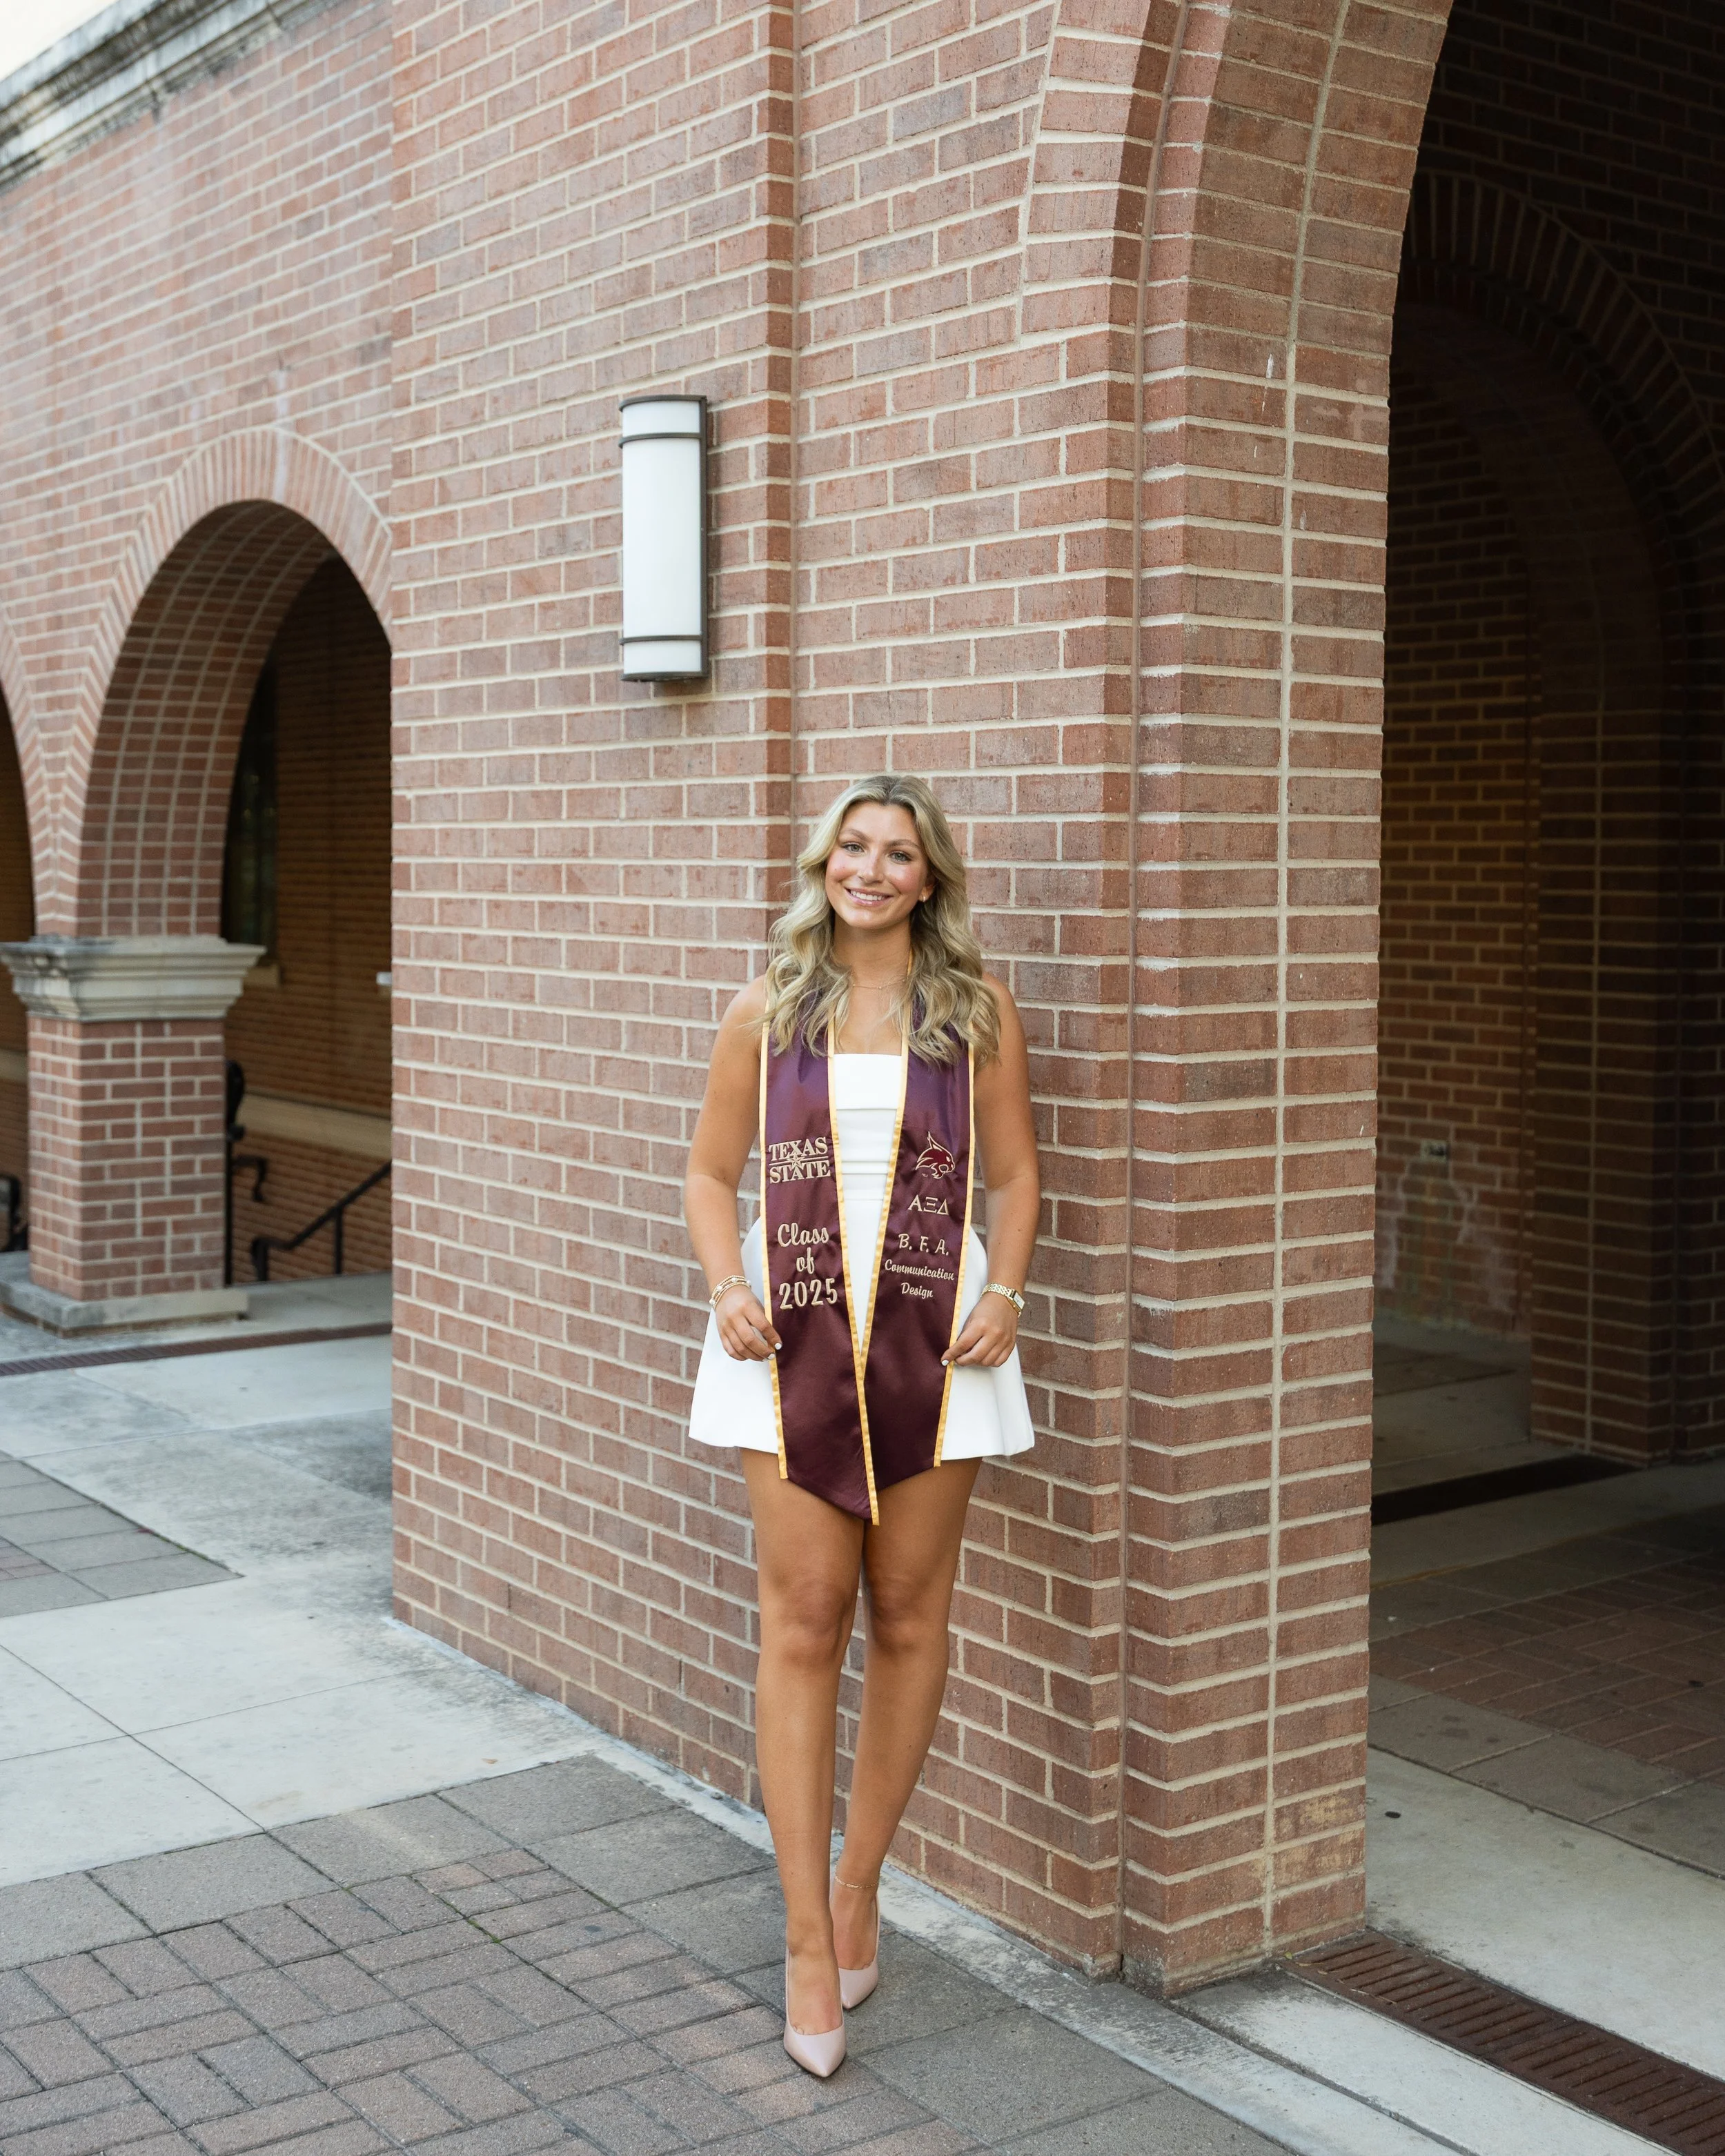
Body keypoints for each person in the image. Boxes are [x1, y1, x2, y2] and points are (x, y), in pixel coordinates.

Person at [683, 773, 1040, 2077]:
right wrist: (728, 1284)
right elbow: (708, 1172)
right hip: (791, 1348)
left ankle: (859, 1884)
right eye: (854, 848)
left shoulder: (974, 1013)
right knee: (801, 1622)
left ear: (929, 877)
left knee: (906, 1617)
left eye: (898, 853)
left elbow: (1017, 1173)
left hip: (938, 1351)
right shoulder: (767, 1012)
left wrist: (1005, 1291)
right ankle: (796, 1936)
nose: (872, 870)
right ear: (824, 865)